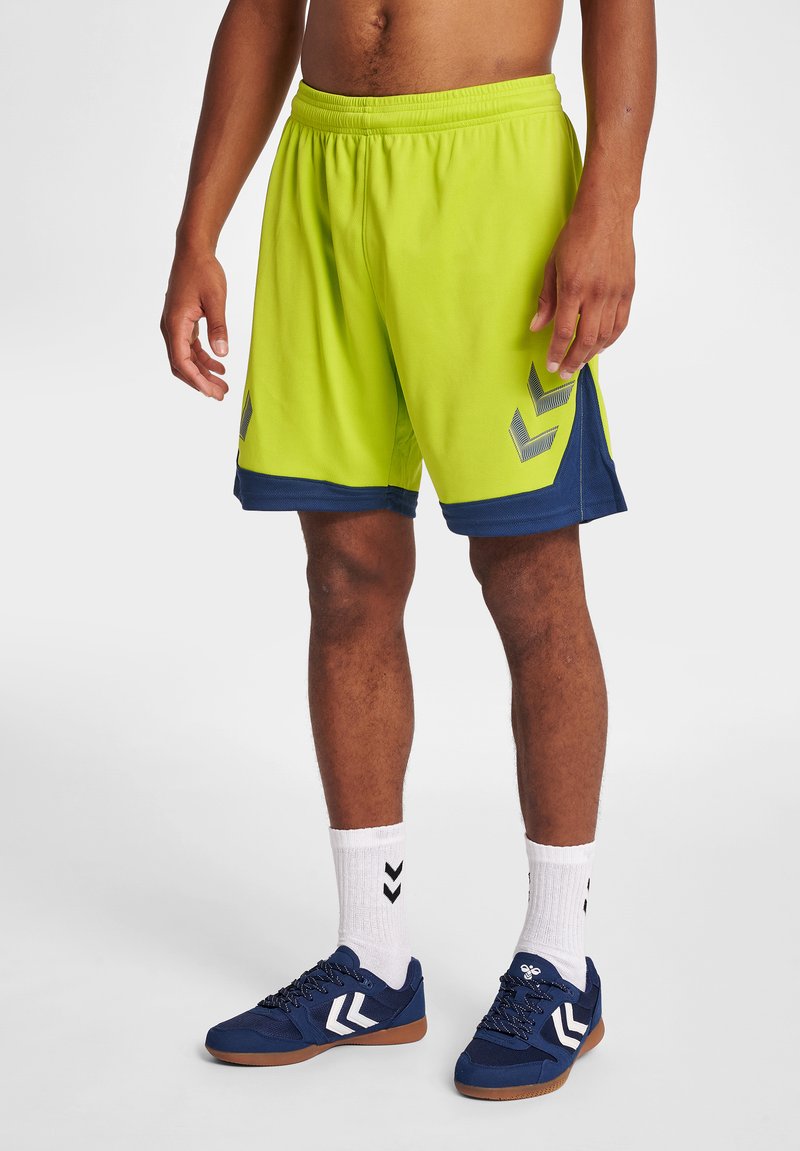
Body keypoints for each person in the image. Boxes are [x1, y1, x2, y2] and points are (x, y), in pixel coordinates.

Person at [161, 0, 656, 1100]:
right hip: (325, 171)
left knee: (529, 576)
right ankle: (373, 960)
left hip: (493, 172)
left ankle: (558, 962)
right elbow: (262, 9)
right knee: (345, 575)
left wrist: (610, 204)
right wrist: (198, 230)